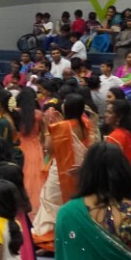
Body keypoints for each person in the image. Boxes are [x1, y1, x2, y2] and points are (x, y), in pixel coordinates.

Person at [34, 91, 97, 251]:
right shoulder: (85, 122)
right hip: (81, 170)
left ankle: (50, 243)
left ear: (66, 107)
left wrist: (48, 127)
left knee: (51, 203)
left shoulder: (61, 126)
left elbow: (49, 149)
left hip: (62, 171)